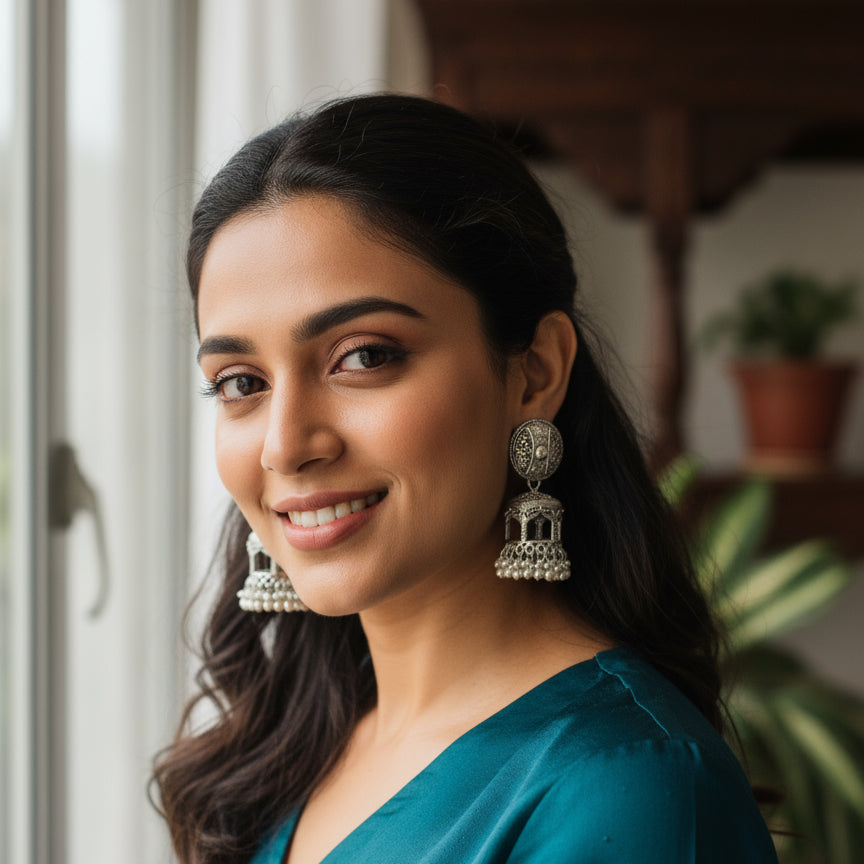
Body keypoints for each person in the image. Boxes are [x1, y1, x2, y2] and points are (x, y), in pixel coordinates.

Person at [152, 93, 778, 864]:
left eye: (365, 357)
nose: (286, 446)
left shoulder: (626, 789)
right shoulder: (290, 750)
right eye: (241, 381)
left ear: (534, 372)